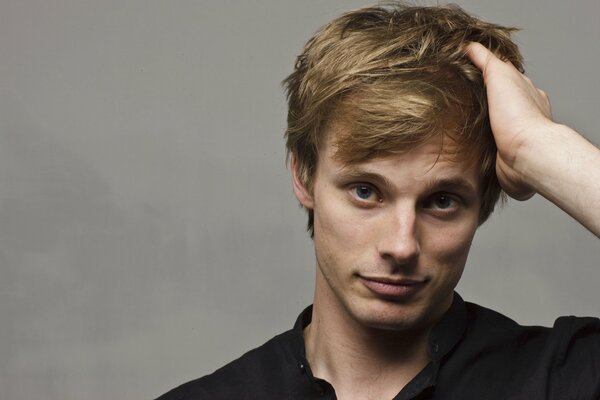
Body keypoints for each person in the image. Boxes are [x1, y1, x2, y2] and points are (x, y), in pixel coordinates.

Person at [157, 3, 600, 399]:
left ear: (482, 202)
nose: (402, 246)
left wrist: (536, 146)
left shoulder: (560, 380)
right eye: (366, 192)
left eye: (441, 201)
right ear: (303, 175)